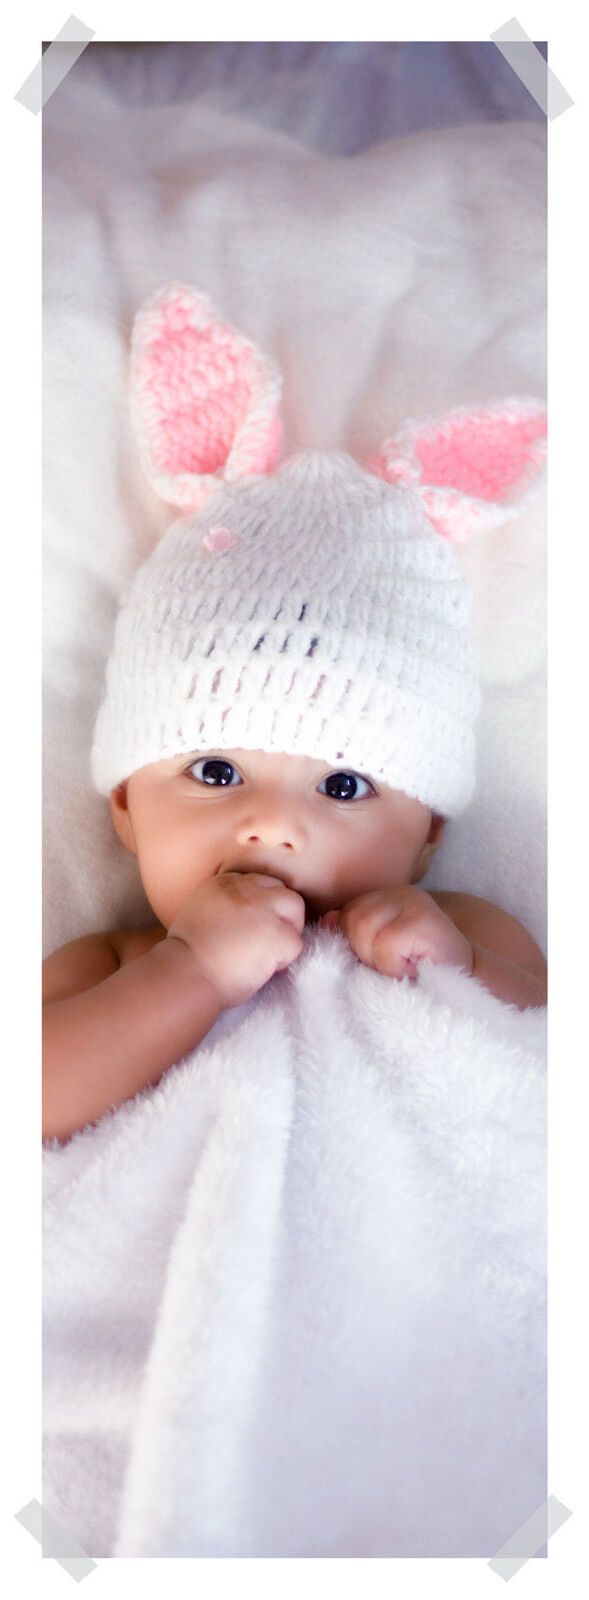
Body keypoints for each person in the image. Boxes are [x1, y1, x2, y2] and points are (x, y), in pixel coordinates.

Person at [42, 284, 548, 1144]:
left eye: (344, 785)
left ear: (427, 835)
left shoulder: (464, 931)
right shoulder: (116, 964)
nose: (272, 824)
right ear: (125, 806)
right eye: (214, 771)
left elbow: (544, 1067)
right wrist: (192, 973)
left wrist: (459, 970)